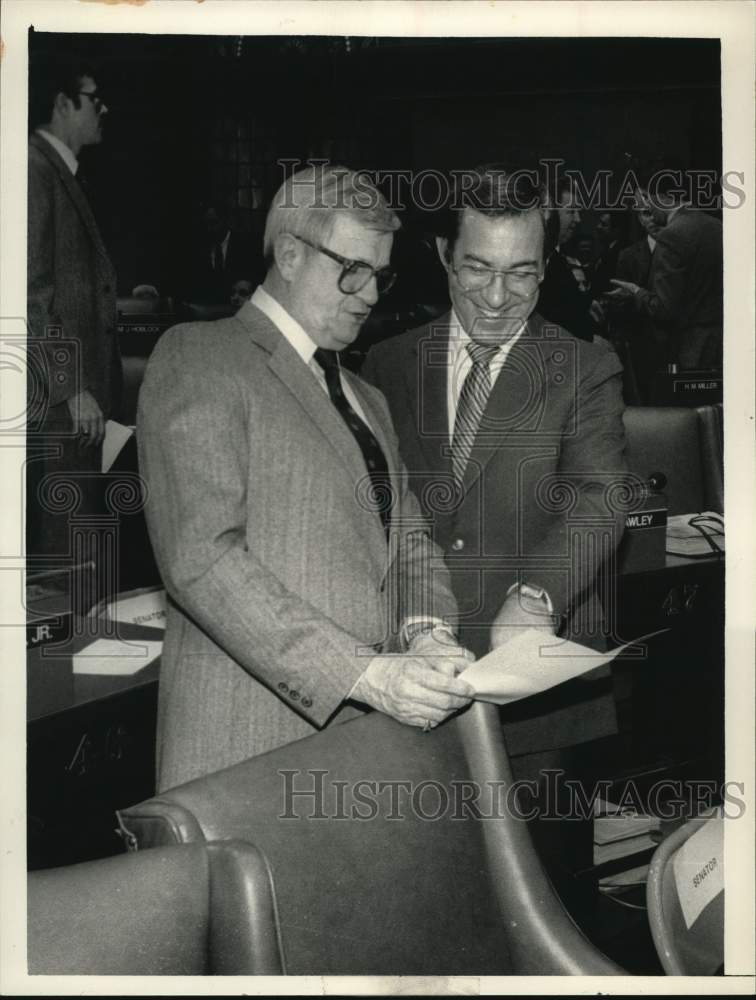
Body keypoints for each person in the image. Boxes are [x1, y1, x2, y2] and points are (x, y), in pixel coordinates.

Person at [138, 164, 474, 790]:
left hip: (366, 750)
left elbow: (410, 543)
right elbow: (201, 561)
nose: (371, 295)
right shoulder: (198, 356)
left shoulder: (366, 396)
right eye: (352, 269)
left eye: (379, 274)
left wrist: (427, 634)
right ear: (289, 255)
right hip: (249, 752)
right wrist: (364, 675)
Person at [361, 165, 628, 771]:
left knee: (545, 864)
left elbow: (599, 501)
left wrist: (538, 596)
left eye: (522, 273)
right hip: (414, 679)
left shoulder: (584, 368)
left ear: (548, 265)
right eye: (478, 268)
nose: (498, 296)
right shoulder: (386, 362)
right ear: (443, 254)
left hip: (538, 694)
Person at [27, 52, 121, 561]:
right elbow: (30, 293)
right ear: (63, 103)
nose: (103, 110)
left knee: (76, 546)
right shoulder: (35, 169)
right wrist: (71, 385)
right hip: (63, 401)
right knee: (64, 554)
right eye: (93, 100)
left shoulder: (63, 171)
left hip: (77, 403)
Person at [608, 170, 723, 370]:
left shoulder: (671, 235)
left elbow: (663, 310)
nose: (649, 211)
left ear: (660, 197)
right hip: (720, 347)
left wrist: (635, 291)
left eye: (648, 200)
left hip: (688, 353)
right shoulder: (717, 226)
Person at [537, 174, 604, 342]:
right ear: (549, 213)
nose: (578, 219)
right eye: (571, 211)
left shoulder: (556, 259)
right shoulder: (538, 261)